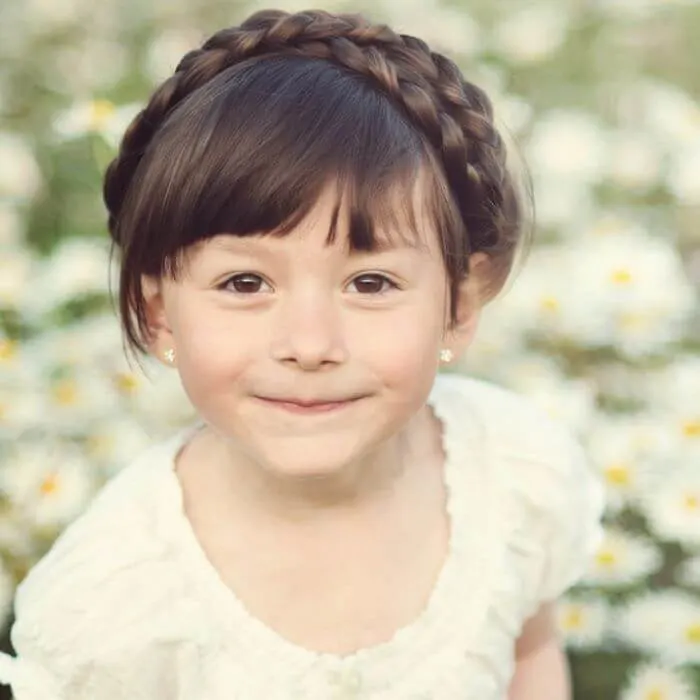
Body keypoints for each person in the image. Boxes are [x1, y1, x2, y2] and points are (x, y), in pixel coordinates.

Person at [0, 9, 605, 699]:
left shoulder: (511, 476)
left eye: (370, 282)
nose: (311, 345)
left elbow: (531, 655)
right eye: (245, 283)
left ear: (459, 307)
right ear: (159, 312)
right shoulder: (112, 608)